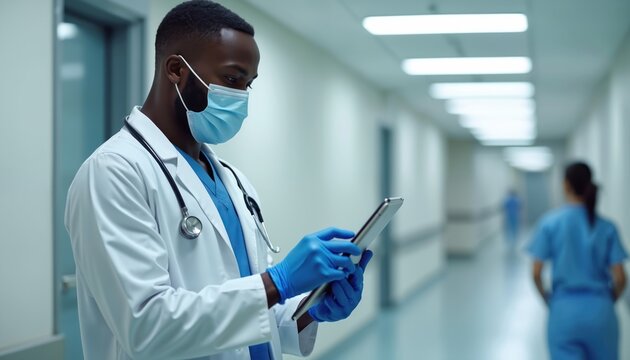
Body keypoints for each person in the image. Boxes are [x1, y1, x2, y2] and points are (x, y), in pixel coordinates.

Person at [64, 1, 372, 359]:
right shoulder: (113, 172)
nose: (241, 97)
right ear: (176, 69)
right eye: (231, 79)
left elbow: (250, 307)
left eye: (248, 85)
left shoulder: (232, 181)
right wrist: (279, 282)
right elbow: (146, 326)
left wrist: (309, 311)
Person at [527, 162, 627, 360]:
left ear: (566, 185)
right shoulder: (607, 227)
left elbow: (536, 273)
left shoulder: (550, 223)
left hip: (563, 311)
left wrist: (548, 299)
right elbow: (621, 278)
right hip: (601, 312)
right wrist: (607, 299)